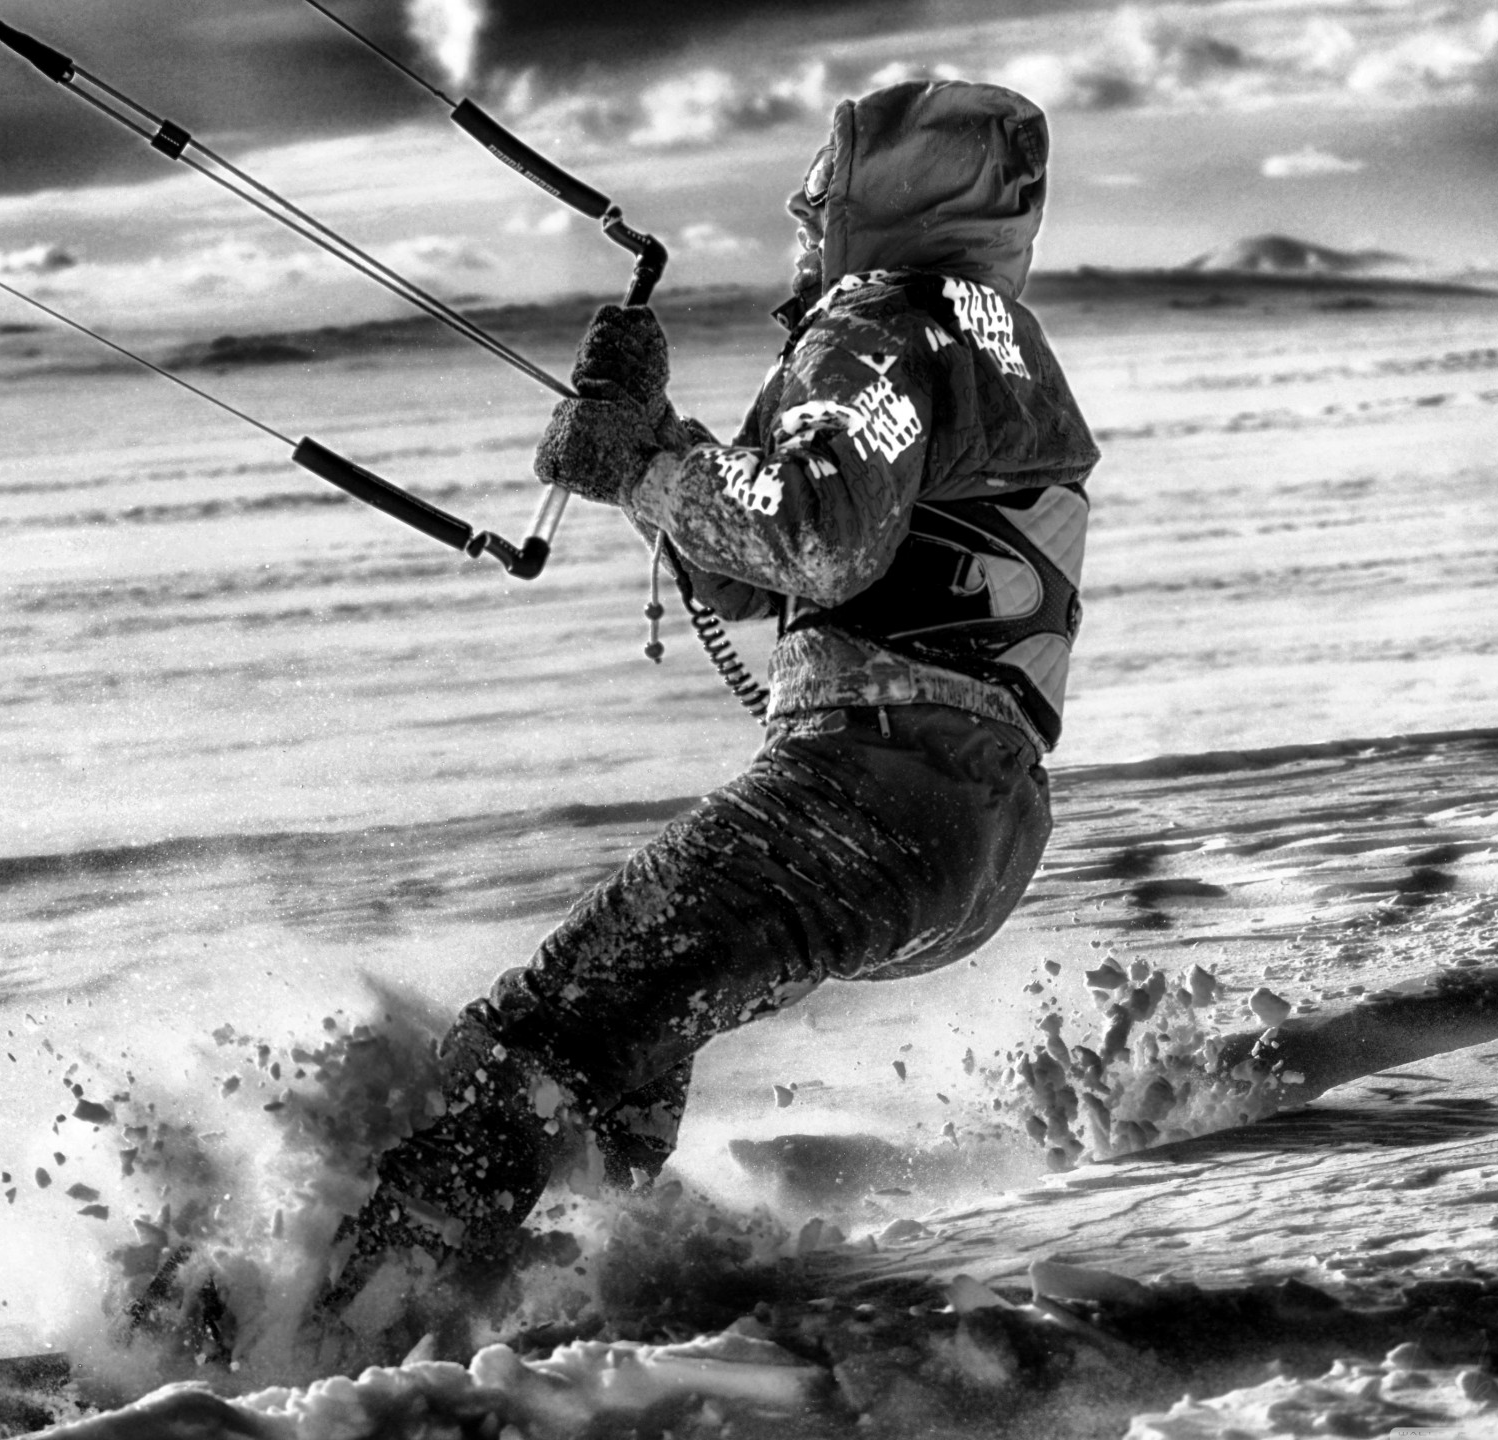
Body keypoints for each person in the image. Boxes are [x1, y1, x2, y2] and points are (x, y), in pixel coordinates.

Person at [322, 77, 1099, 1318]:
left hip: (867, 796)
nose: (802, 224)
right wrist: (655, 440)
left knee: (538, 1033)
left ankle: (341, 1314)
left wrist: (637, 460)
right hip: (976, 835)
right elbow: (766, 573)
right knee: (627, 1038)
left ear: (879, 204)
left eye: (819, 199)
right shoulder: (990, 337)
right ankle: (576, 1288)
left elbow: (816, 539)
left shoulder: (880, 325)